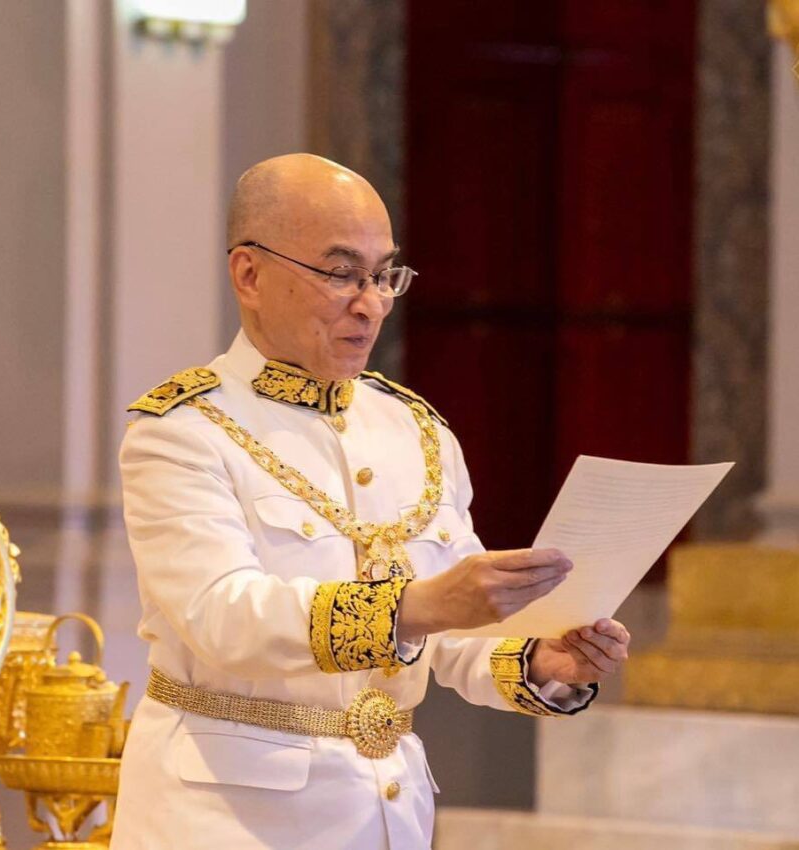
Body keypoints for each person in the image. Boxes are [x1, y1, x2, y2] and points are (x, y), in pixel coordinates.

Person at [111, 154, 631, 850]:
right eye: (340, 273)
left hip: (387, 816)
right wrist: (418, 606)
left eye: (385, 275)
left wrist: (542, 660)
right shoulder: (183, 430)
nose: (372, 303)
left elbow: (451, 633)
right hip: (225, 820)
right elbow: (224, 617)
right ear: (249, 275)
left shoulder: (416, 431)